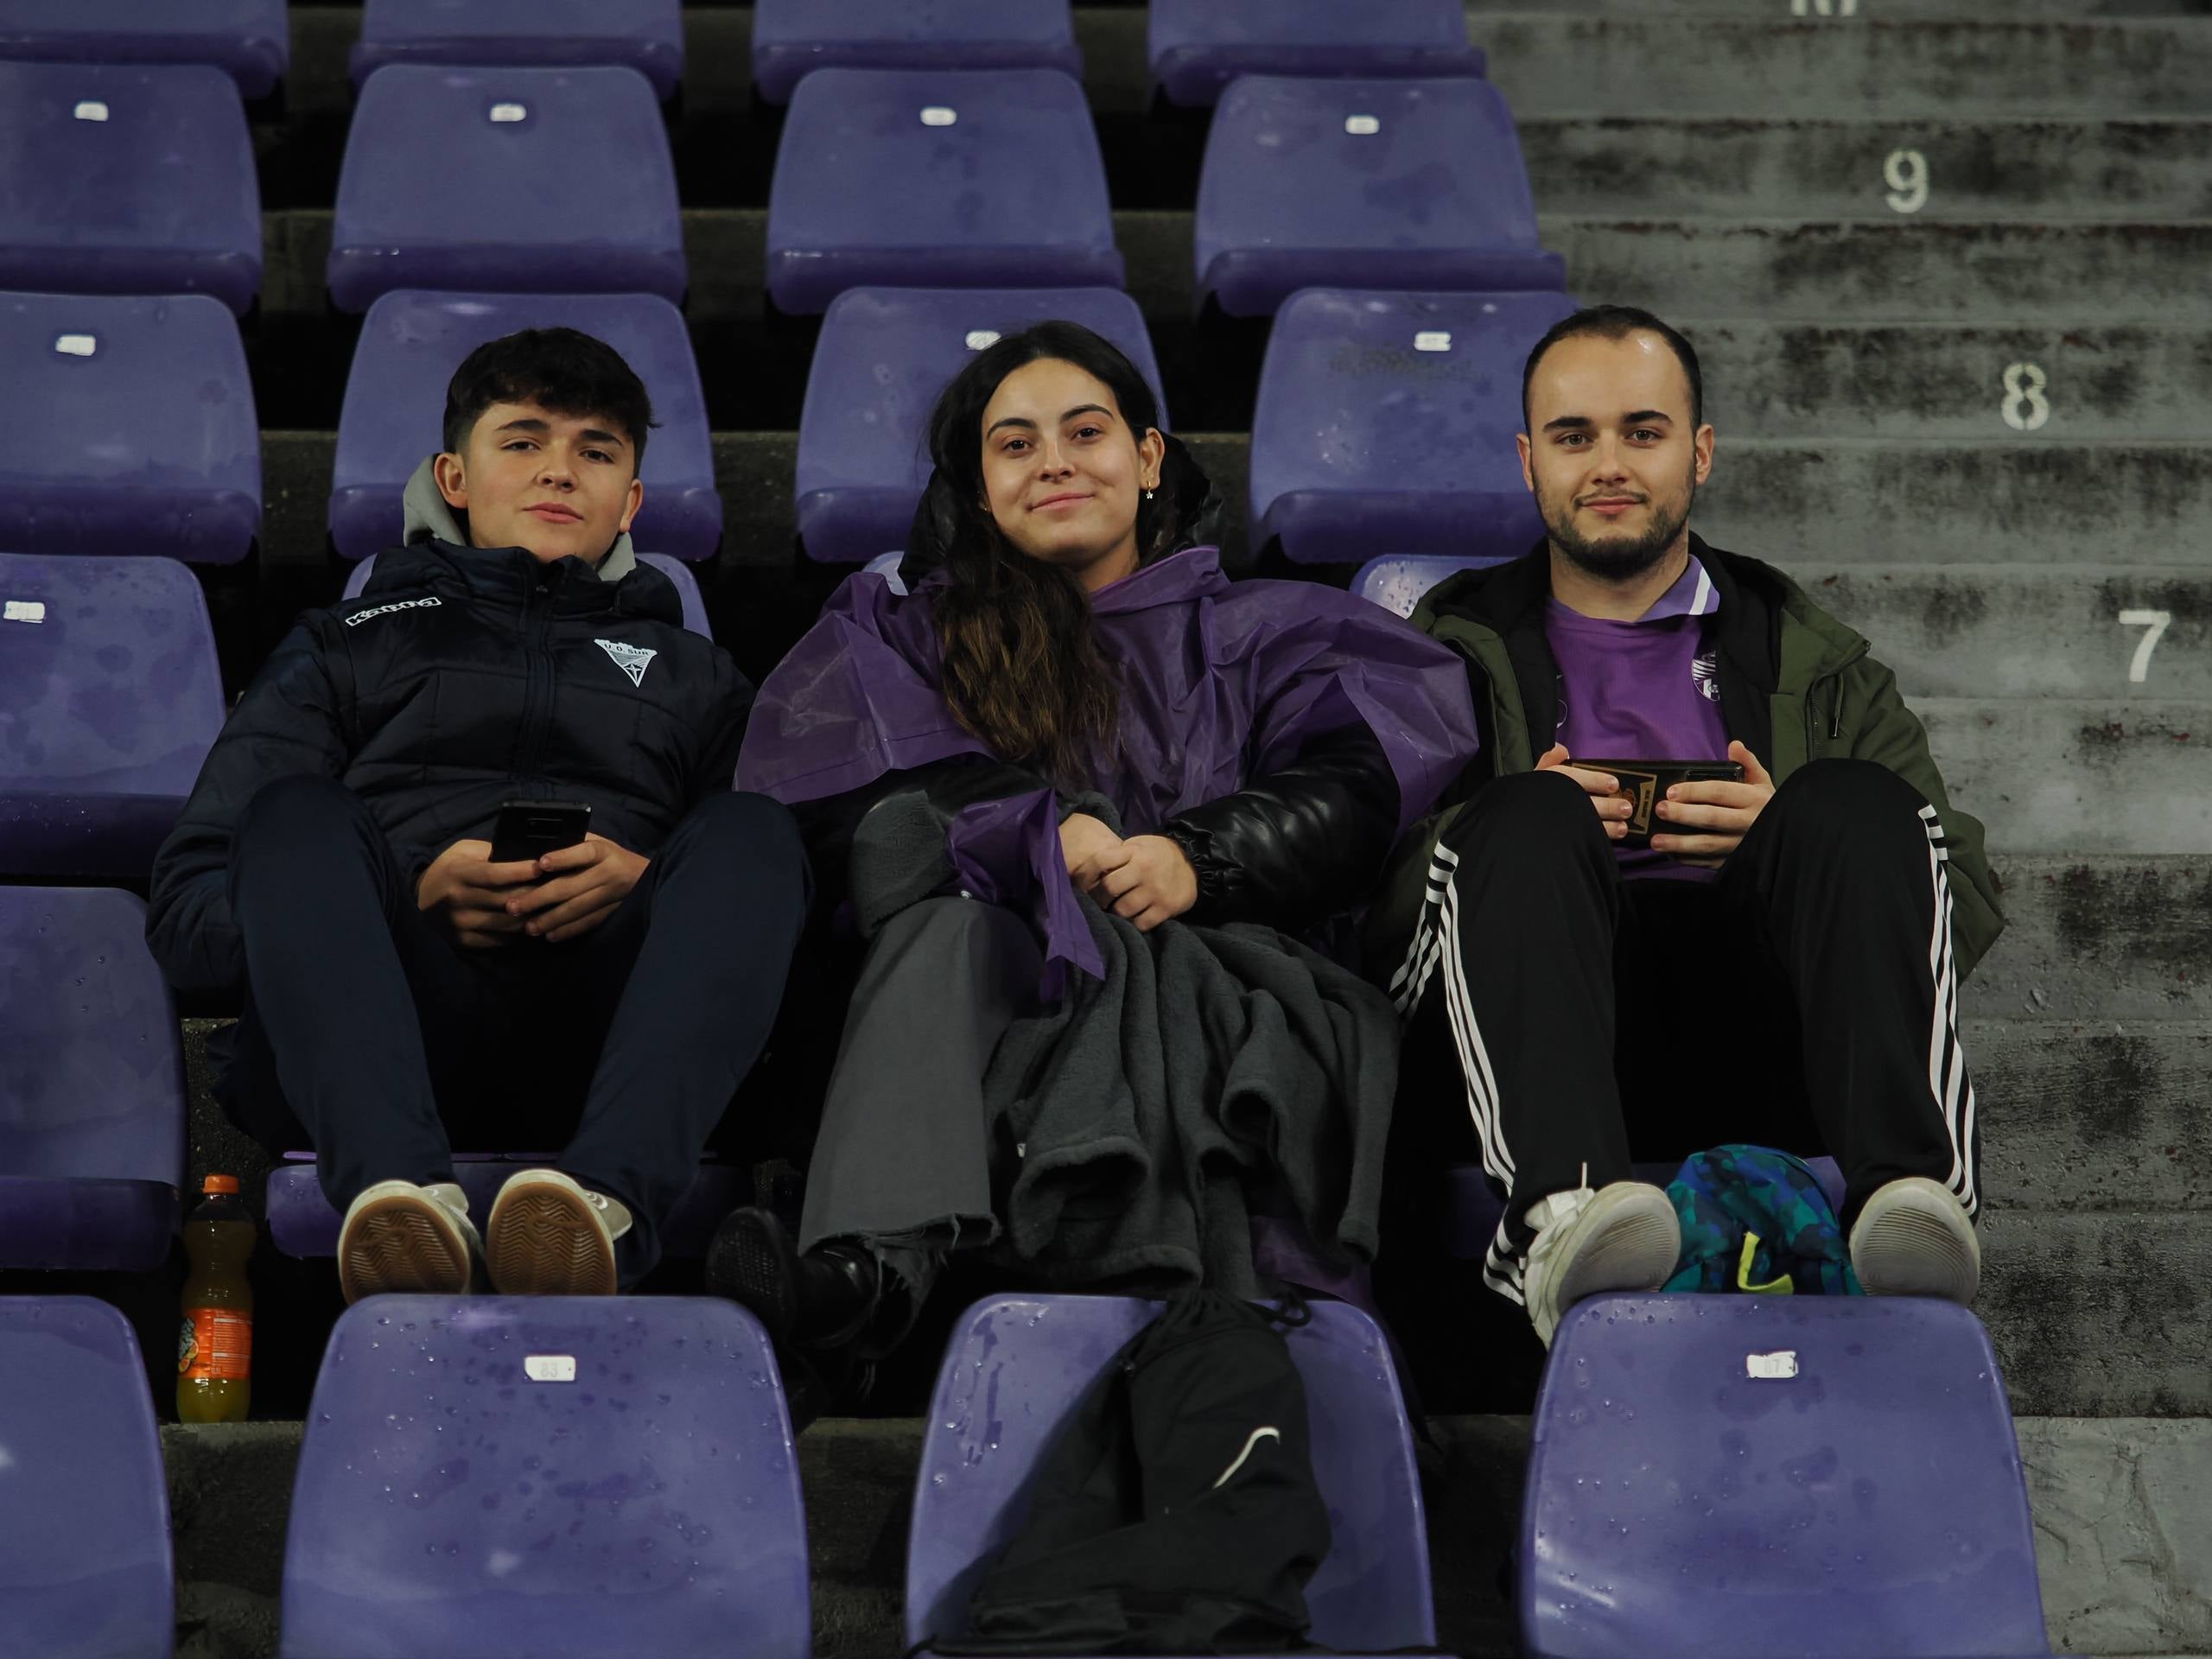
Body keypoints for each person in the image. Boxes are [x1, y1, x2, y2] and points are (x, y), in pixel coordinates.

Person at [712, 321, 1478, 1374]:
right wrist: (1028, 829)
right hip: (986, 977)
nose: (1056, 462)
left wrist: (1195, 857)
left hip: (1218, 958)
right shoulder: (900, 635)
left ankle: (881, 1257)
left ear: (1149, 456)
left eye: (1086, 431)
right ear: (979, 490)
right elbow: (835, 802)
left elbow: (1357, 787)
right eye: (1015, 445)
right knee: (945, 922)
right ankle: (864, 1270)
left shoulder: (1271, 630)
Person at [1365, 304, 2003, 1344]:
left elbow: (1953, 892)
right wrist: (1499, 827)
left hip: (1766, 1033)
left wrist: (1782, 834)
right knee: (1522, 812)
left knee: (1854, 801)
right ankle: (1561, 1219)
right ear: (1529, 462)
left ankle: (1909, 1202)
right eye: (1574, 437)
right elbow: (1364, 905)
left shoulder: (1810, 653)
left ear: (1699, 453)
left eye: (1642, 431)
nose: (1607, 463)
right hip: (1528, 1035)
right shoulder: (1441, 652)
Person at [147, 328, 809, 1302]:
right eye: (524, 440)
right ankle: (396, 1195)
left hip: (616, 1049)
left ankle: (606, 1210)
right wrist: (406, 893)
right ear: (454, 476)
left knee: (759, 834)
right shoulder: (340, 648)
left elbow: (770, 916)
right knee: (293, 815)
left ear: (629, 500)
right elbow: (190, 911)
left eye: (595, 451)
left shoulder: (701, 680)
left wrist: (643, 881)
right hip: (374, 1033)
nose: (558, 471)